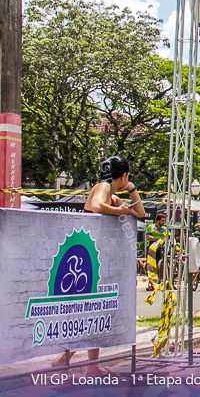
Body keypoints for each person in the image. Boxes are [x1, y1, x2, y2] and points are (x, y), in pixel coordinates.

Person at [54, 157, 145, 372]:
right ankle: (65, 358)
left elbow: (140, 214)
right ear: (123, 175)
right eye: (128, 177)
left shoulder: (110, 194)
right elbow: (96, 206)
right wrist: (119, 211)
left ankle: (89, 365)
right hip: (88, 257)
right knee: (87, 313)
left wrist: (131, 189)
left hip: (96, 256)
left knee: (95, 313)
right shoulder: (102, 187)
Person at [145, 212, 167, 290]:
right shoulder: (151, 227)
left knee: (160, 265)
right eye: (162, 221)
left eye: (164, 221)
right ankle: (151, 284)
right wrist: (157, 239)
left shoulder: (164, 228)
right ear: (158, 221)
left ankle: (160, 281)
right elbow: (148, 237)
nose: (163, 222)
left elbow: (168, 236)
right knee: (151, 266)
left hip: (160, 247)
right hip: (151, 247)